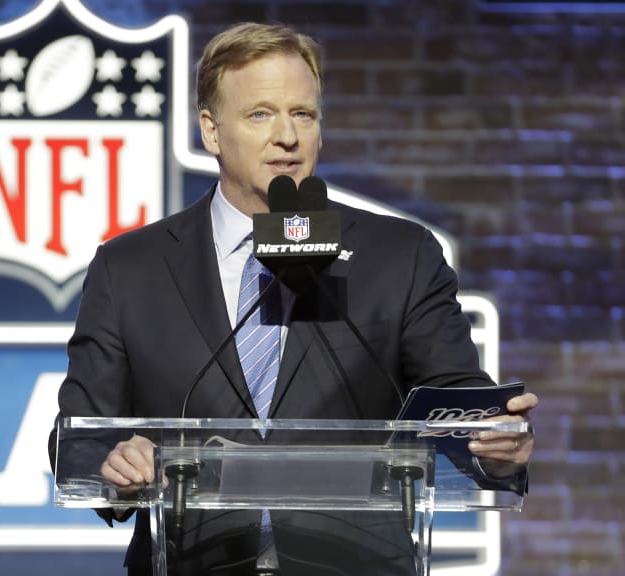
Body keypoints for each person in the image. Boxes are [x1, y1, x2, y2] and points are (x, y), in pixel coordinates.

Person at [49, 22, 537, 575]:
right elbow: (78, 441)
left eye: (303, 114)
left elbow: (459, 399)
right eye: (261, 114)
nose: (288, 136)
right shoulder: (129, 268)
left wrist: (498, 440)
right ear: (211, 131)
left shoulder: (399, 256)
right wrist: (116, 463)